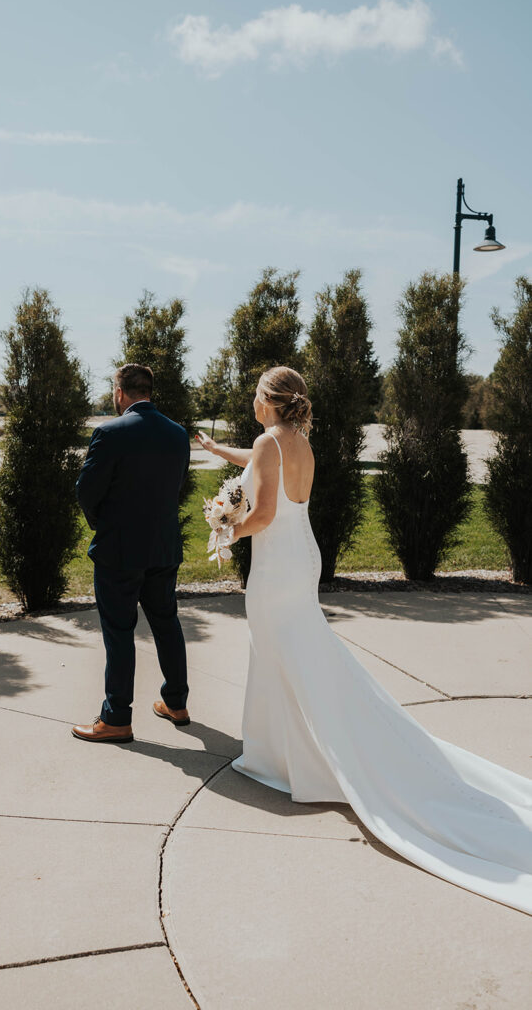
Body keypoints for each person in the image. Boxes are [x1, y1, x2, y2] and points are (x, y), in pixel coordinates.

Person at [196, 365, 532, 916]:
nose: (252, 403)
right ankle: (282, 754)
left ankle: (284, 759)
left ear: (270, 401)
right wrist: (218, 451)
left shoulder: (268, 441)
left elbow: (263, 512)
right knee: (298, 654)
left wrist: (224, 527)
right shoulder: (297, 442)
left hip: (276, 566)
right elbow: (261, 468)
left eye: (256, 396)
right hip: (303, 558)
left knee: (282, 653)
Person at [72, 363, 191, 743]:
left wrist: (101, 524)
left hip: (120, 551)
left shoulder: (109, 432)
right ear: (150, 392)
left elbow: (86, 491)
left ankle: (116, 718)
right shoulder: (177, 434)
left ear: (120, 393)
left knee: (119, 632)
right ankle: (176, 702)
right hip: (163, 547)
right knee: (166, 622)